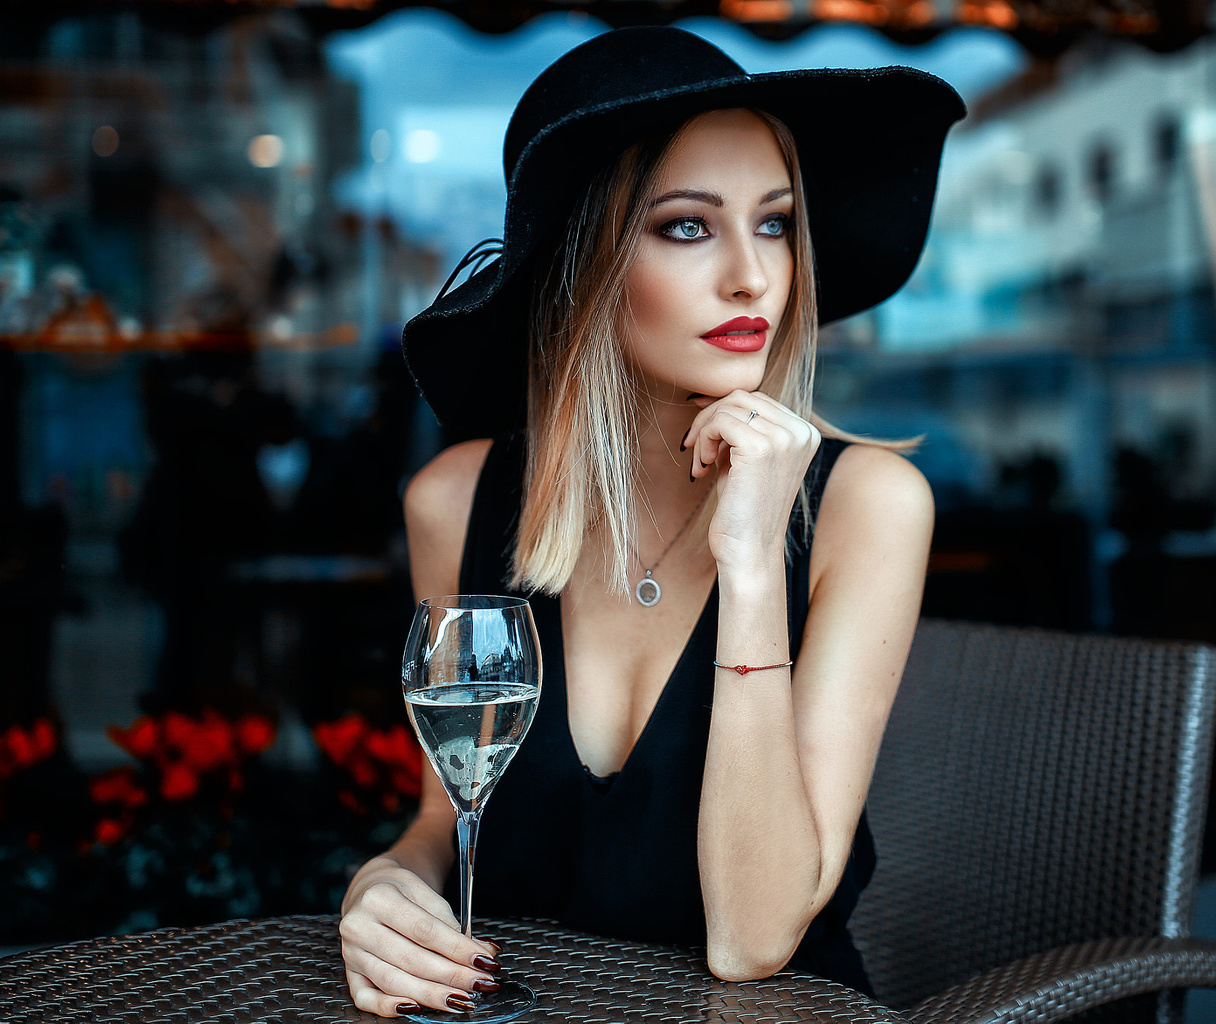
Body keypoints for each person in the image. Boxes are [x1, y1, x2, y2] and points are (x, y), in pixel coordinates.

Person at [339, 26, 964, 1016]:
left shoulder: (866, 506)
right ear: (579, 263)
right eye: (686, 226)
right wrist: (386, 881)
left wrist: (752, 561)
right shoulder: (452, 502)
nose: (751, 276)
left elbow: (752, 940)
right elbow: (444, 815)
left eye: (773, 222)